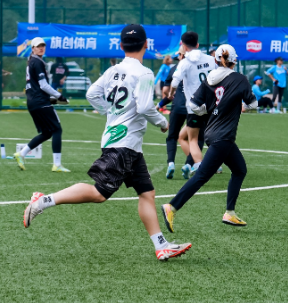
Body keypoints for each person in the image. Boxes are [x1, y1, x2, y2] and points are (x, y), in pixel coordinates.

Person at [23, 24, 192, 261]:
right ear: (146, 44)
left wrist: (111, 113)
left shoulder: (113, 70)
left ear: (121, 46)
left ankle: (161, 245)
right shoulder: (144, 73)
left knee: (147, 193)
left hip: (125, 143)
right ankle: (43, 201)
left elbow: (92, 94)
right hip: (124, 142)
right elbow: (145, 107)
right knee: (100, 193)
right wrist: (162, 122)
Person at [161, 44, 256, 232]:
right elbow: (253, 104)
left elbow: (194, 105)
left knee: (240, 169)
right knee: (202, 175)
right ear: (234, 61)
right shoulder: (239, 79)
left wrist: (210, 109)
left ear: (215, 60)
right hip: (223, 136)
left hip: (212, 133)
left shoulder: (209, 80)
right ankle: (172, 207)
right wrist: (241, 107)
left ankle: (230, 212)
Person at [15, 37, 69, 172]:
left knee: (47, 133)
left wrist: (53, 98)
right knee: (57, 130)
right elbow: (43, 85)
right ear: (33, 48)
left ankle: (21, 153)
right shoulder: (37, 62)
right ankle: (57, 165)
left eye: (43, 46)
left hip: (32, 102)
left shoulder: (32, 62)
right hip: (40, 102)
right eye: (38, 46)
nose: (41, 48)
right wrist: (59, 96)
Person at [169, 31, 217, 177]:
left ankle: (200, 166)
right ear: (197, 44)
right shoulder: (211, 59)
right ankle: (194, 164)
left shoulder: (185, 63)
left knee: (193, 139)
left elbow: (175, 82)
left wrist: (171, 94)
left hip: (195, 107)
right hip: (211, 105)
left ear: (183, 46)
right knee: (184, 136)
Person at [160, 52, 201, 180]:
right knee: (197, 138)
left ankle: (171, 163)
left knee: (172, 136)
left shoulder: (174, 69)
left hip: (177, 106)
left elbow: (166, 92)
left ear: (180, 56)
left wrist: (160, 104)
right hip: (193, 107)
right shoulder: (198, 67)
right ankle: (189, 164)